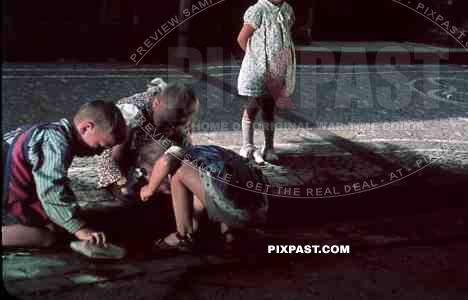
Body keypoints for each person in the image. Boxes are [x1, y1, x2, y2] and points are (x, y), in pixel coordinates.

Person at [2, 100, 127, 248]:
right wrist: (79, 228)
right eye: (101, 146)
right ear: (86, 128)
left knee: (56, 220)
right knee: (48, 237)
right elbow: (51, 190)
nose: (99, 153)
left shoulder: (47, 131)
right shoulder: (56, 143)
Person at [137, 141, 269, 252]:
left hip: (240, 211)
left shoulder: (176, 154)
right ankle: (230, 233)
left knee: (179, 173)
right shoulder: (203, 154)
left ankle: (183, 237)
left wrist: (149, 189)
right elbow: (199, 203)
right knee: (218, 179)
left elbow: (165, 162)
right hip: (260, 209)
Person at [95, 79, 199, 202]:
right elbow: (116, 156)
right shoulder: (131, 113)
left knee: (178, 169)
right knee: (126, 194)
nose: (171, 129)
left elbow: (183, 147)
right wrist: (122, 182)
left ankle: (156, 175)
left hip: (150, 142)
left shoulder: (179, 112)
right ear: (155, 103)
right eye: (167, 124)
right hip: (120, 147)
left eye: (177, 124)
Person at [236, 0, 297, 163]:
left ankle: (269, 147)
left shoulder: (288, 11)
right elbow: (242, 38)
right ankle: (247, 145)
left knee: (270, 109)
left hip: (276, 70)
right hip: (257, 70)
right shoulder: (258, 10)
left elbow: (284, 38)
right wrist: (256, 60)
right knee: (253, 106)